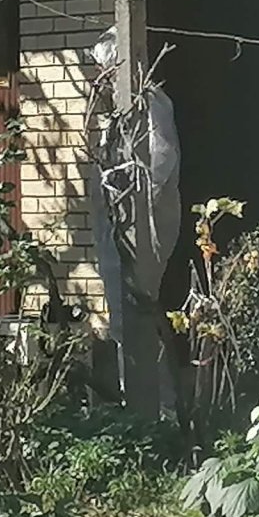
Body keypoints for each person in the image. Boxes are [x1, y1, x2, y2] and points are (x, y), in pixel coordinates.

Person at [88, 27, 181, 407]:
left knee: (136, 315)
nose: (100, 79)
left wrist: (132, 195)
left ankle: (159, 403)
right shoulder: (119, 110)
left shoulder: (149, 103)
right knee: (122, 316)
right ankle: (142, 402)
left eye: (105, 69)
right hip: (118, 225)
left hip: (137, 226)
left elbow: (161, 162)